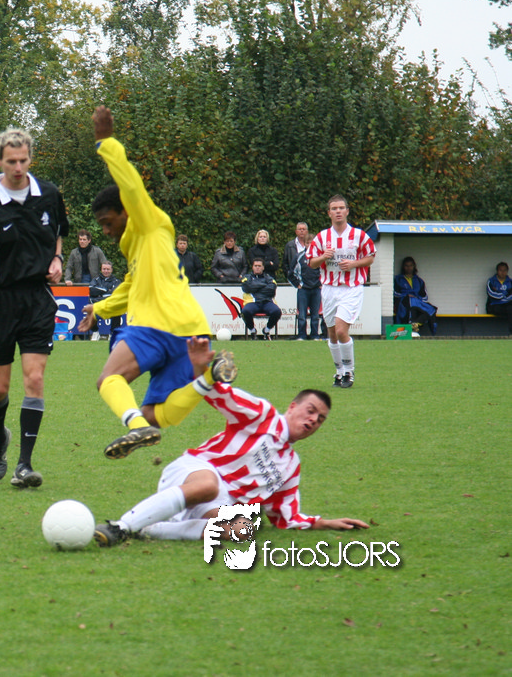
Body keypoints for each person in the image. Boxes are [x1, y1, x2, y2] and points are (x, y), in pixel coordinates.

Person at [76, 106, 236, 461]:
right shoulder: (135, 243)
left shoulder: (148, 221)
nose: (106, 230)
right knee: (156, 415)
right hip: (190, 329)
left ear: (126, 210)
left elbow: (130, 183)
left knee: (109, 380)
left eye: (107, 221)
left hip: (154, 324)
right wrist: (100, 308)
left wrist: (105, 142)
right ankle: (210, 376)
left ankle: (134, 427)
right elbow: (133, 284)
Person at [92, 358, 369, 547]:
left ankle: (151, 530)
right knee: (209, 486)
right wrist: (201, 367)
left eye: (320, 419)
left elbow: (286, 516)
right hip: (195, 471)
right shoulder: (262, 414)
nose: (313, 420)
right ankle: (121, 526)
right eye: (310, 411)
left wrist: (326, 523)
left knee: (244, 529)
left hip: (217, 503)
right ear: (293, 407)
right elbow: (219, 393)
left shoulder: (291, 466)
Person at [0, 126, 69, 489]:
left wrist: (57, 259)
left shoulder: (48, 194)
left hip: (37, 299)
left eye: (23, 160)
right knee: (0, 388)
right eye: (11, 161)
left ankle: (25, 464)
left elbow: (59, 234)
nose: (18, 168)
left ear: (30, 159)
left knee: (34, 379)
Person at [307, 195, 376, 389]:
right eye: (334, 208)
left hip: (351, 288)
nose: (338, 211)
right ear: (329, 213)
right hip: (329, 289)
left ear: (347, 211)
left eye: (341, 208)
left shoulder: (358, 235)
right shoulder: (322, 237)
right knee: (332, 333)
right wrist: (323, 257)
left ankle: (349, 371)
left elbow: (370, 257)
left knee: (340, 330)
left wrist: (354, 264)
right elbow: (311, 263)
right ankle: (339, 372)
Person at [287, 228, 322, 340]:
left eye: (312, 243)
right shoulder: (299, 256)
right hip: (303, 290)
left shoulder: (320, 257)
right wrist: (297, 284)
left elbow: (325, 272)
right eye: (308, 243)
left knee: (315, 315)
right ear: (304, 244)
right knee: (302, 315)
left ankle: (315, 335)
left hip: (316, 289)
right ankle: (302, 335)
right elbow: (291, 273)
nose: (310, 245)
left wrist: (321, 284)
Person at [393, 256, 438, 335]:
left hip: (417, 302)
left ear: (414, 266)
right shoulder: (398, 279)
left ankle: (416, 324)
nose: (409, 268)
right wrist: (406, 295)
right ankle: (412, 327)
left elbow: (425, 297)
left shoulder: (419, 281)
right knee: (410, 302)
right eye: (406, 266)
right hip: (404, 302)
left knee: (432, 309)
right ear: (403, 267)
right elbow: (394, 293)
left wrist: (416, 298)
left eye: (411, 265)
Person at [240, 258, 281, 339]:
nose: (257, 268)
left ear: (263, 267)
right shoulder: (246, 278)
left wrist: (255, 287)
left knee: (277, 311)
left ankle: (266, 330)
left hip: (267, 302)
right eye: (255, 266)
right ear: (252, 267)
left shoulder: (269, 278)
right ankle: (252, 331)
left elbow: (271, 290)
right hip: (252, 302)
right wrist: (263, 285)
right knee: (245, 311)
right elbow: (247, 288)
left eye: (259, 266)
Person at [89, 261, 123, 341]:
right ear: (101, 269)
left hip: (110, 306)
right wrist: (106, 290)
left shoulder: (117, 281)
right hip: (98, 306)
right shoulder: (95, 280)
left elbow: (114, 294)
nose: (106, 271)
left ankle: (112, 334)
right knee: (90, 310)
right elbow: (92, 291)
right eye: (104, 269)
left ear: (111, 270)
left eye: (108, 269)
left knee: (117, 310)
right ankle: (95, 332)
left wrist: (100, 295)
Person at [485, 261, 512, 333]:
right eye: (500, 270)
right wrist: (504, 294)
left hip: (507, 305)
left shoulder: (510, 282)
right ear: (497, 271)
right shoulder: (491, 281)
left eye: (504, 270)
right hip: (494, 305)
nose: (502, 272)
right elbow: (491, 294)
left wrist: (499, 293)